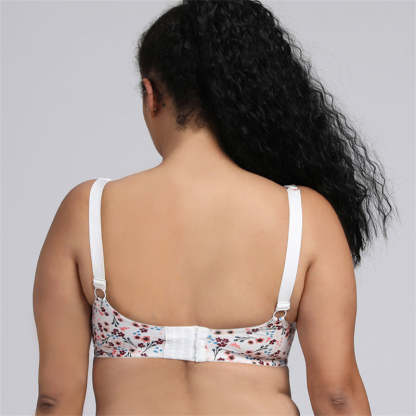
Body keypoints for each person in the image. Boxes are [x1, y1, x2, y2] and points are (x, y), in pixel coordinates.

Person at [33, 0, 395, 414]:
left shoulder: (87, 211)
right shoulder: (306, 218)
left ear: (151, 95)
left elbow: (55, 399)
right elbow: (338, 397)